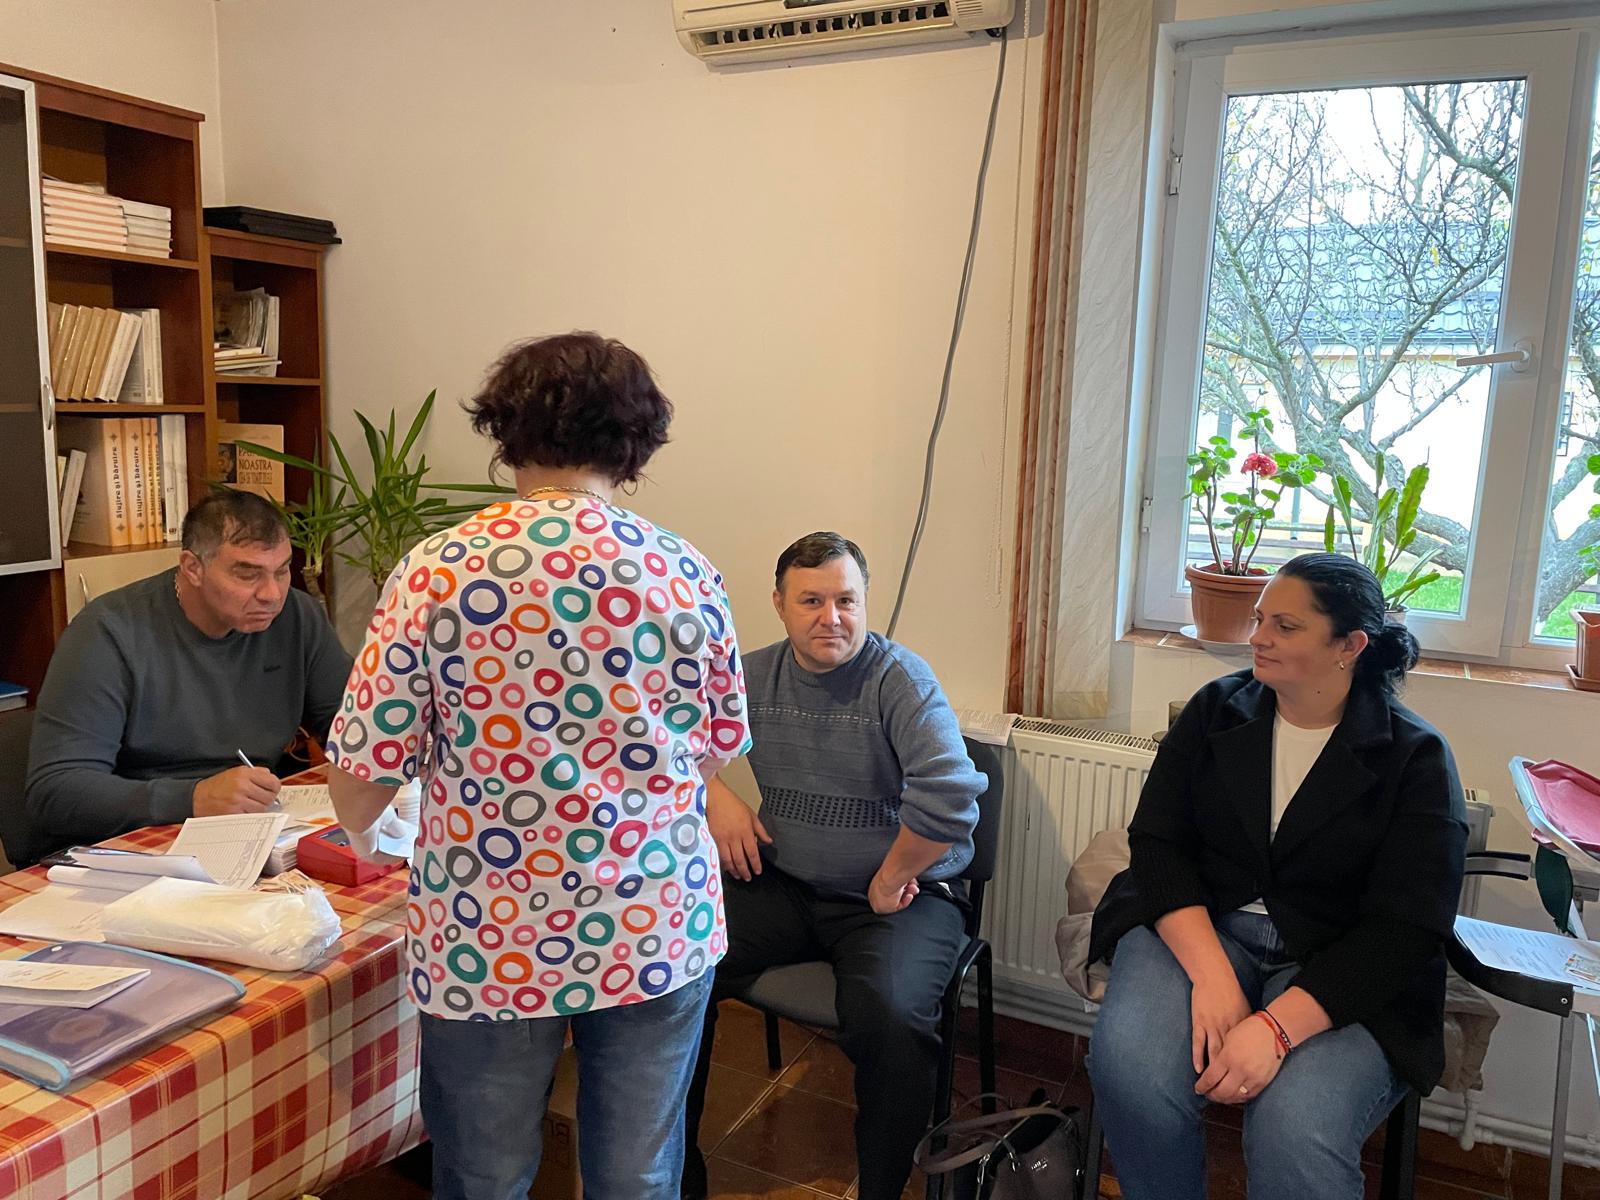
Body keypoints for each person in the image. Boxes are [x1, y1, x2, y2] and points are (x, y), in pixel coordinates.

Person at [325, 331, 751, 1200]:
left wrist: (375, 827)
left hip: (490, 931)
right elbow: (715, 748)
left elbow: (362, 778)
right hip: (652, 920)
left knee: (484, 1176)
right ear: (634, 444)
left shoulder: (438, 571)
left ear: (505, 430)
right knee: (638, 1175)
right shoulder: (686, 573)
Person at [1086, 553, 1467, 1200]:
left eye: (1285, 626)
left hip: (1339, 963)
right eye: (1260, 619)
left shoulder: (1416, 757)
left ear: (1349, 646)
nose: (1257, 637)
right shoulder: (1216, 710)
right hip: (1205, 929)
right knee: (1132, 1073)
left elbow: (1405, 929)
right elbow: (1157, 844)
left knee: (1296, 1127)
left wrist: (1275, 1027)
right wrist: (1212, 977)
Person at [681, 531, 986, 1200]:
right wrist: (716, 794)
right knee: (679, 958)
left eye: (846, 600)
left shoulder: (899, 679)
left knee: (891, 1017)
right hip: (789, 883)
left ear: (864, 601)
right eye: (811, 601)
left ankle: (881, 1188)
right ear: (779, 605)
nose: (832, 618)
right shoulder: (750, 674)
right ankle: (678, 1177)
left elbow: (951, 797)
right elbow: (670, 737)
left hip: (903, 896)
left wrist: (891, 874)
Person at [25, 490, 351, 858]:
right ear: (192, 568)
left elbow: (353, 727)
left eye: (281, 570)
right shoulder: (108, 632)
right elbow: (56, 792)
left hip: (249, 832)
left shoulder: (297, 617)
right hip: (130, 846)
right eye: (248, 574)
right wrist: (193, 797)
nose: (272, 594)